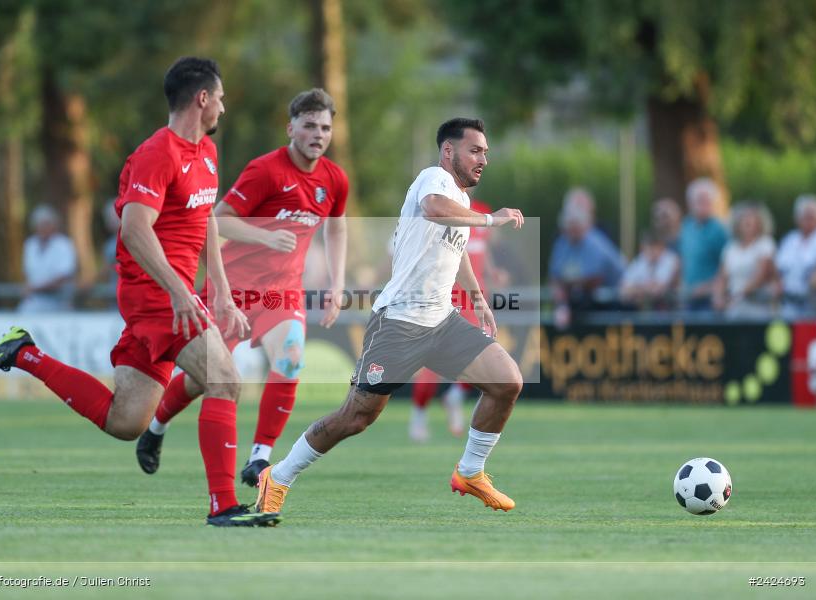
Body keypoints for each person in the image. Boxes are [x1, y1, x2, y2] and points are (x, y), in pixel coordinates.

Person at [0, 57, 276, 528]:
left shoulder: (207, 154)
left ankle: (24, 354)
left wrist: (222, 293)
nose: (224, 109)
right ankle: (223, 505)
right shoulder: (157, 153)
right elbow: (133, 229)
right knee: (225, 379)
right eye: (222, 99)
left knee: (125, 421)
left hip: (172, 294)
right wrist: (177, 290)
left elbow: (205, 220)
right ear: (202, 99)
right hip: (152, 294)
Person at [253, 118, 525, 522]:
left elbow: (457, 246)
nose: (483, 158)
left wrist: (477, 297)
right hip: (398, 322)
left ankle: (469, 472)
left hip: (442, 321)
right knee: (355, 417)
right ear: (448, 151)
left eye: (485, 151)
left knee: (507, 381)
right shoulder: (432, 179)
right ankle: (278, 477)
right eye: (475, 150)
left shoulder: (462, 203)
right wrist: (492, 219)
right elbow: (435, 211)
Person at [134, 89, 349, 487]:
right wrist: (267, 237)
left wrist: (337, 284)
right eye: (309, 126)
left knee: (290, 357)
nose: (318, 134)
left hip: (281, 292)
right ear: (291, 129)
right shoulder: (266, 171)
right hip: (231, 288)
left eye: (325, 127)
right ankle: (157, 426)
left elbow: (336, 227)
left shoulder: (334, 179)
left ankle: (259, 458)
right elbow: (219, 220)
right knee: (206, 378)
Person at [408, 198, 495, 442]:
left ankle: (455, 397)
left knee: (483, 356)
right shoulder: (439, 208)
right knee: (431, 361)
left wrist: (492, 271)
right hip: (445, 297)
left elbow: (480, 251)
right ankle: (419, 414)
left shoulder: (482, 211)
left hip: (475, 299)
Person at [548, 204, 624, 321]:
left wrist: (568, 284)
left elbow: (594, 280)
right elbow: (555, 278)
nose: (571, 230)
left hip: (612, 303)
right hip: (583, 302)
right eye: (569, 226)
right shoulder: (562, 243)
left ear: (584, 225)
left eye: (575, 226)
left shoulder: (596, 244)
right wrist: (561, 303)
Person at [712, 202, 776, 319]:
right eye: (744, 218)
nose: (748, 221)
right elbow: (722, 276)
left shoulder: (765, 244)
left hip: (758, 306)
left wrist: (737, 296)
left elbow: (760, 275)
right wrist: (718, 297)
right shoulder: (730, 248)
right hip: (734, 307)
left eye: (751, 217)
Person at [679, 178, 728, 311]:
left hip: (709, 299)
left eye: (706, 200)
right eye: (699, 200)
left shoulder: (719, 230)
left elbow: (726, 265)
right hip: (689, 297)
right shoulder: (686, 226)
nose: (703, 204)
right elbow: (683, 259)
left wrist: (709, 287)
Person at [18, 205, 77, 312]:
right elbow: (27, 274)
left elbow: (64, 276)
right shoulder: (30, 244)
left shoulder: (63, 245)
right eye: (40, 225)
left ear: (54, 225)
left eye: (46, 224)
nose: (43, 228)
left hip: (58, 302)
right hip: (33, 301)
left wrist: (37, 288)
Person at [775, 194, 816, 318]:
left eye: (811, 216)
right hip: (789, 304)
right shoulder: (789, 240)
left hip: (815, 306)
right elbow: (778, 269)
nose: (808, 220)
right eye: (805, 216)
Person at [619, 230, 679, 310]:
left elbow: (658, 290)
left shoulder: (671, 260)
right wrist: (644, 289)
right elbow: (624, 290)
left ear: (661, 247)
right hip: (643, 310)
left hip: (669, 311)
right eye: (647, 247)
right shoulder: (640, 260)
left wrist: (637, 289)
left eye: (653, 247)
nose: (650, 251)